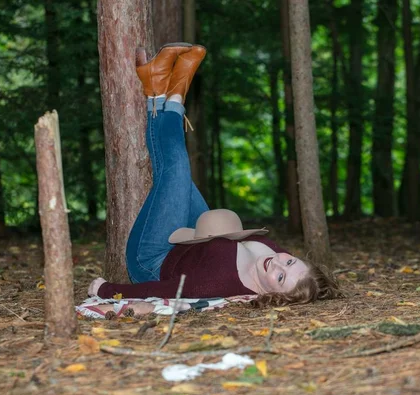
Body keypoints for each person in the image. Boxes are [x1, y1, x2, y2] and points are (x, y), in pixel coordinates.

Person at [88, 43, 339, 312]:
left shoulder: (216, 282)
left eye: (279, 277)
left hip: (153, 258)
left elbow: (162, 291)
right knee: (176, 176)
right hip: (194, 236)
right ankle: (157, 90)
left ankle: (171, 98)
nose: (277, 263)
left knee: (176, 169)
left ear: (272, 295)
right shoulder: (274, 252)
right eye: (289, 262)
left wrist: (107, 290)